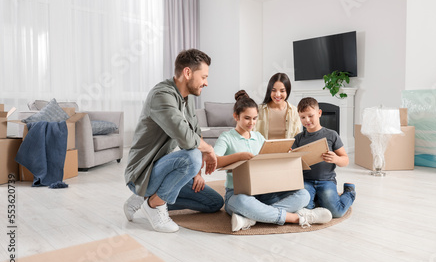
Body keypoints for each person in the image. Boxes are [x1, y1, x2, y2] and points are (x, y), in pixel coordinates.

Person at [123, 49, 224, 233]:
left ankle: (145, 199)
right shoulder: (161, 96)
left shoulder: (187, 99)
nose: (206, 83)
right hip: (142, 173)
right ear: (187, 73)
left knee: (214, 203)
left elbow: (196, 132)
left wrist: (197, 173)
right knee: (192, 157)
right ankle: (154, 205)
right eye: (203, 77)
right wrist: (208, 150)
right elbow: (187, 139)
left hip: (165, 170)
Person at [214, 90, 332, 232]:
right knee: (242, 202)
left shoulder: (258, 137)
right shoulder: (226, 137)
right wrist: (240, 156)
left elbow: (270, 159)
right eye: (247, 118)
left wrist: (284, 154)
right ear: (236, 116)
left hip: (263, 192)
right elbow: (215, 162)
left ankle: (251, 218)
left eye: (254, 118)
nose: (251, 123)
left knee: (304, 194)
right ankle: (298, 218)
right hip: (237, 193)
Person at [292, 97, 356, 218]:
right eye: (303, 117)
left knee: (337, 212)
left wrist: (336, 159)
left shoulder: (331, 135)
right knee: (305, 209)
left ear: (319, 113)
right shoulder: (298, 138)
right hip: (306, 181)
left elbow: (345, 160)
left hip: (326, 181)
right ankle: (318, 199)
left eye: (310, 116)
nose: (307, 120)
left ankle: (349, 192)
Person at [255, 73, 301, 139]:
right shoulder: (259, 110)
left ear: (287, 91)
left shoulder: (294, 111)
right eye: (274, 90)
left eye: (282, 91)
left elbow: (297, 137)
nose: (278, 94)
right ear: (269, 90)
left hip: (288, 149)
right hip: (264, 149)